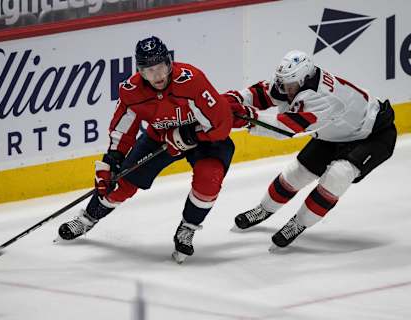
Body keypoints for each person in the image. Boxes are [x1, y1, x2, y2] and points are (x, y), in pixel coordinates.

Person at [57, 36, 234, 263]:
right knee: (121, 182)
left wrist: (190, 135)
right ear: (140, 71)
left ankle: (187, 228)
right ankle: (88, 218)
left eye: (160, 68)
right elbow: (122, 131)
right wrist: (112, 159)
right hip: (160, 138)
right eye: (149, 70)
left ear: (169, 63)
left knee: (209, 178)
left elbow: (221, 125)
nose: (157, 76)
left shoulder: (192, 80)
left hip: (204, 140)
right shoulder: (131, 91)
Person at [227, 50, 397, 249]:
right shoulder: (292, 80)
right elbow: (261, 94)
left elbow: (285, 127)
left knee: (337, 175)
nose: (286, 90)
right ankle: (263, 209)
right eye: (284, 85)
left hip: (374, 135)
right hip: (336, 132)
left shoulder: (322, 98)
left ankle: (298, 223)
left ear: (306, 78)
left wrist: (247, 119)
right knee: (297, 173)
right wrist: (229, 100)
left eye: (291, 86)